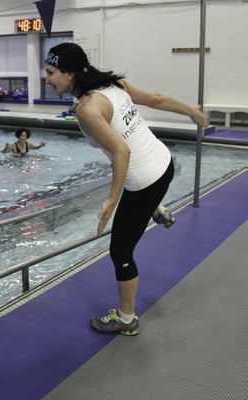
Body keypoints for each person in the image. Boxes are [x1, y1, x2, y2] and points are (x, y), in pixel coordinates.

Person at [45, 42, 208, 336]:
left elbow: (121, 152)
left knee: (120, 251)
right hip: (165, 164)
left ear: (69, 74)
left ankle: (127, 318)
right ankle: (155, 208)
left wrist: (111, 200)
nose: (47, 79)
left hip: (144, 182)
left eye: (51, 72)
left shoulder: (88, 109)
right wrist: (190, 112)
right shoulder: (113, 84)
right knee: (140, 203)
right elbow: (156, 99)